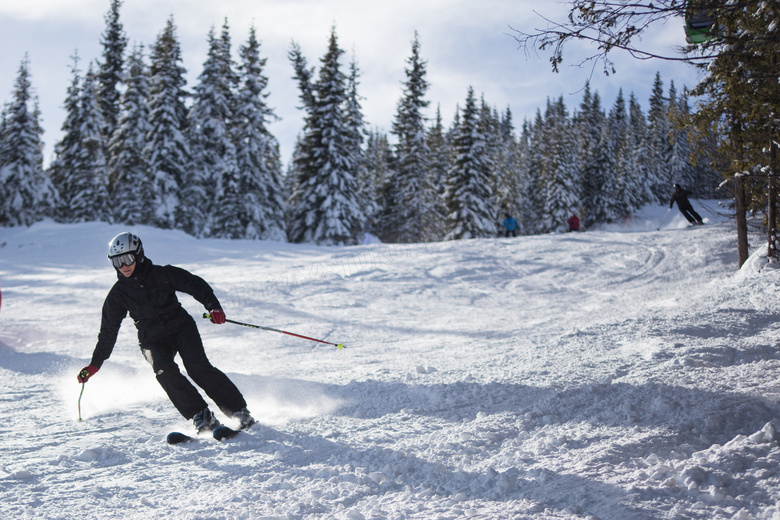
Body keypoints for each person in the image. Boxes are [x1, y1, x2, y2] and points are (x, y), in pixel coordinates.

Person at [77, 232, 255, 433]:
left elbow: (194, 284)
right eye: (117, 261)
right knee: (163, 370)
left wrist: (213, 307)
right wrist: (95, 364)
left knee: (197, 367)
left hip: (181, 328)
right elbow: (108, 331)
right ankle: (202, 416)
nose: (123, 266)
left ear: (139, 254)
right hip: (151, 339)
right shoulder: (118, 295)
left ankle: (239, 411)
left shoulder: (162, 274)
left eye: (127, 259)